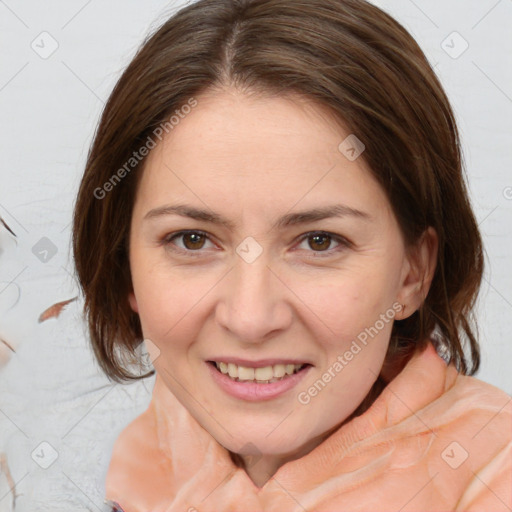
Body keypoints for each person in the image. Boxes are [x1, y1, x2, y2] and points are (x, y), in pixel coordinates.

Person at [72, 0, 512, 510]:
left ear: (412, 273)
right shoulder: (144, 454)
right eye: (192, 239)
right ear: (124, 265)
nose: (250, 318)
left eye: (319, 241)